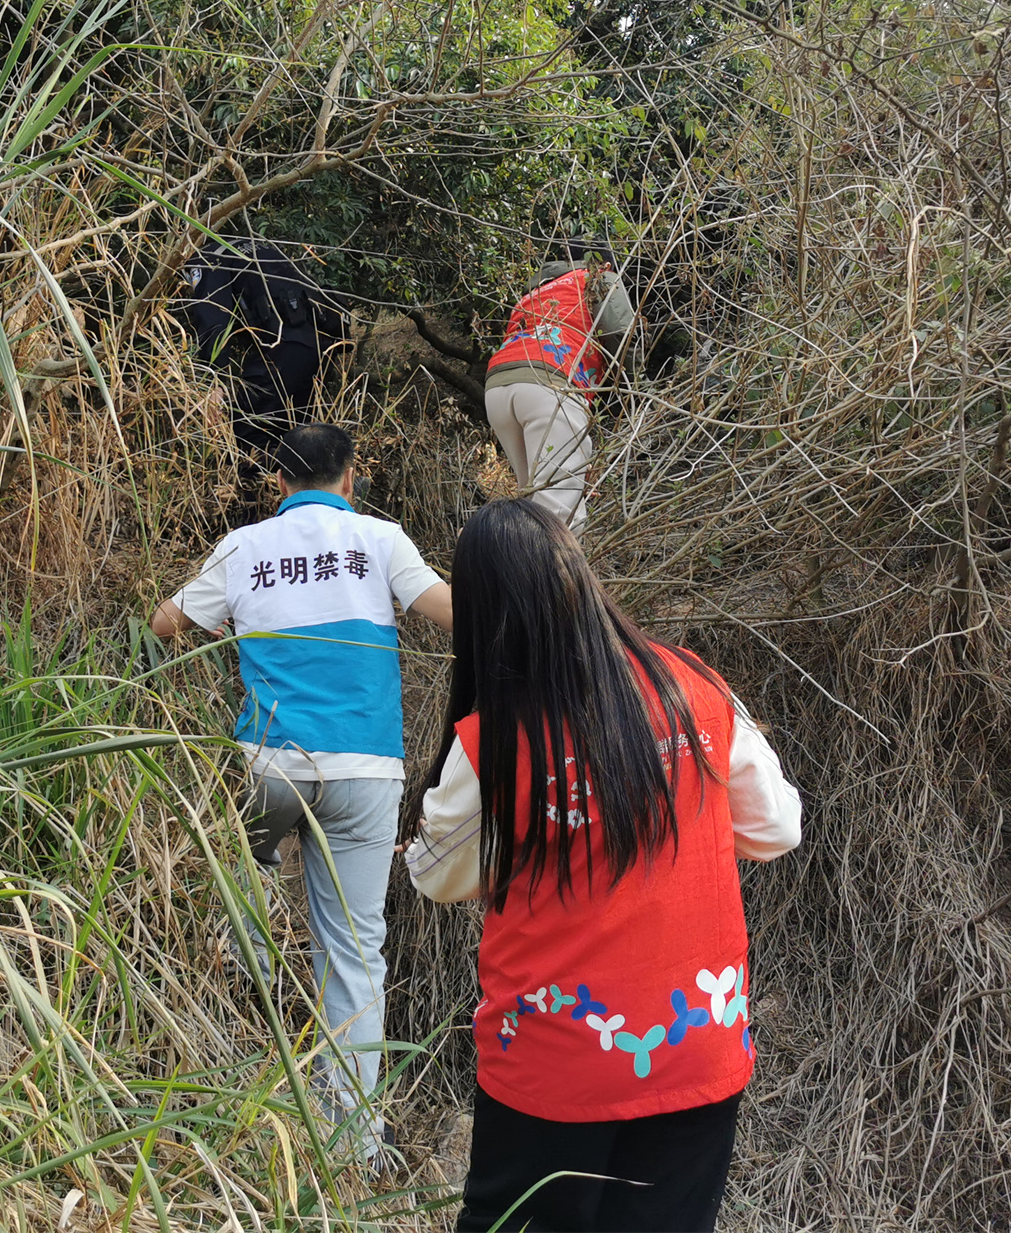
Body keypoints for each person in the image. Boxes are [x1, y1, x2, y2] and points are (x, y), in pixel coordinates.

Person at [403, 500, 802, 1231]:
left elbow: (436, 874)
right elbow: (776, 826)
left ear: (482, 613)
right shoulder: (694, 688)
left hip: (553, 1063)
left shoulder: (495, 736)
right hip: (695, 1045)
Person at [152, 422, 453, 1157]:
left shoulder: (245, 545)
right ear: (351, 479)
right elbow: (455, 613)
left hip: (269, 765)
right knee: (353, 955)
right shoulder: (380, 540)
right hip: (365, 771)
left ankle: (229, 1049)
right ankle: (353, 1145)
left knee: (234, 885)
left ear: (277, 483)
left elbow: (165, 623)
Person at [484, 241, 635, 531]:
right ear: (603, 263)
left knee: (532, 505)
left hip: (499, 386)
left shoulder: (535, 291)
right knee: (560, 517)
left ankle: (516, 571)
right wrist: (635, 386)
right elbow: (622, 334)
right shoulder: (598, 277)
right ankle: (552, 576)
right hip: (550, 385)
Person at [180, 240, 339, 484]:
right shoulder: (256, 247)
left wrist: (216, 381)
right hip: (322, 344)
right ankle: (322, 491)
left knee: (247, 430)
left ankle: (256, 510)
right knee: (298, 436)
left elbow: (213, 316)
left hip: (285, 345)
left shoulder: (207, 257)